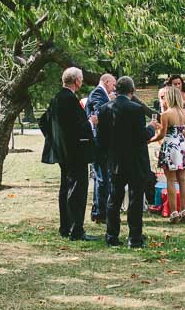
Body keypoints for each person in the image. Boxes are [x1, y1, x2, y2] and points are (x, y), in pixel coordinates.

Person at [99, 76, 160, 248]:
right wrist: (151, 127)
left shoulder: (105, 108)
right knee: (135, 198)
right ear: (132, 91)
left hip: (115, 160)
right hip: (134, 160)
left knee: (114, 198)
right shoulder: (136, 109)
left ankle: (111, 235)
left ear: (116, 90)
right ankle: (134, 237)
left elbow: (102, 139)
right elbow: (141, 137)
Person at [44, 67, 96, 241]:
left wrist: (55, 140)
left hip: (61, 151)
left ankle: (65, 226)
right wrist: (91, 122)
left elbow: (44, 122)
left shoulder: (56, 98)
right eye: (81, 79)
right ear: (77, 81)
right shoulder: (70, 100)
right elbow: (79, 127)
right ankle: (76, 229)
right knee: (77, 189)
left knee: (65, 188)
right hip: (75, 152)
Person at [152, 85, 185, 224]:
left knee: (170, 180)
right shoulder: (184, 112)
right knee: (183, 180)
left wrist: (150, 139)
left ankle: (174, 212)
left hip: (170, 145)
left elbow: (162, 135)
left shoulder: (166, 114)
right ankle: (184, 211)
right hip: (182, 145)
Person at [86, 73, 116, 225]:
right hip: (100, 141)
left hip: (101, 141)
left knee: (101, 177)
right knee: (102, 177)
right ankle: (100, 212)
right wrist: (110, 102)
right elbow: (100, 113)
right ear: (107, 81)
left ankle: (98, 210)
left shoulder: (101, 93)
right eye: (113, 84)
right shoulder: (98, 93)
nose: (114, 88)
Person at [164, 75, 185, 185]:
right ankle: (179, 184)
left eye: (179, 83)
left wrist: (178, 102)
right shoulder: (167, 98)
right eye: (175, 84)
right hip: (173, 128)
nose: (178, 86)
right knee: (176, 162)